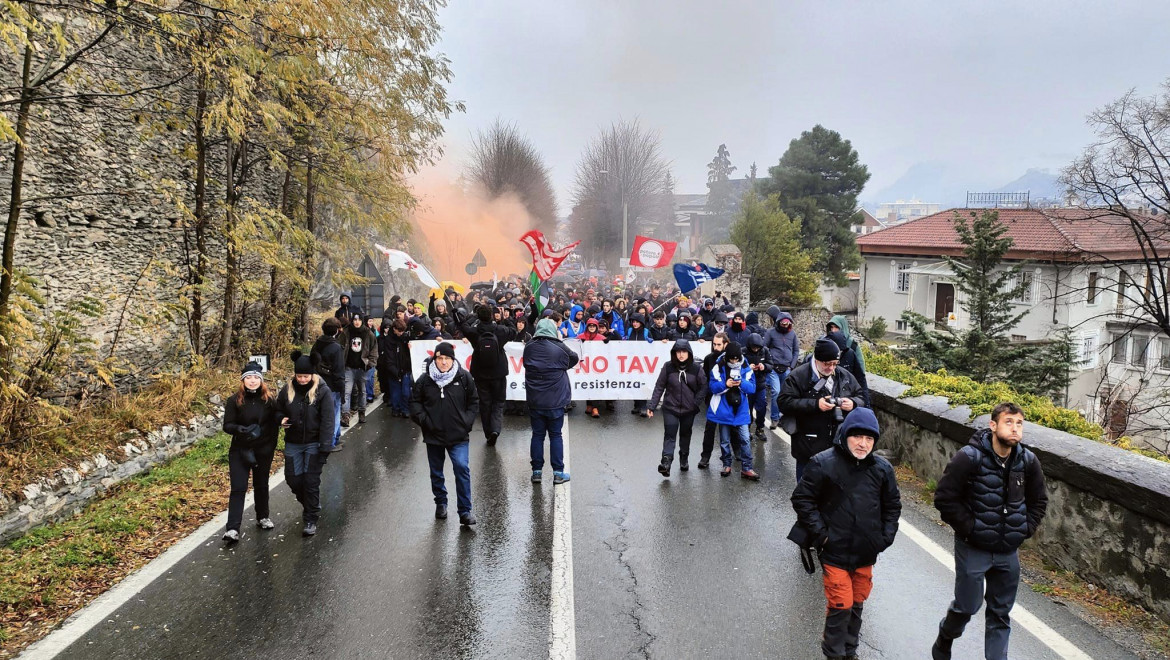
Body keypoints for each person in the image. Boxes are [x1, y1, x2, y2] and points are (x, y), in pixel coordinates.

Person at [930, 403, 1048, 660]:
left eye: (1019, 423)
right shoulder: (969, 457)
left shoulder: (1027, 461)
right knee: (967, 606)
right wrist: (970, 529)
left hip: (1008, 551)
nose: (1014, 428)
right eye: (1008, 422)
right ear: (993, 426)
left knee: (1000, 613)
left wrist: (1024, 530)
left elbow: (1039, 501)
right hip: (973, 547)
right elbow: (945, 498)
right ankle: (945, 637)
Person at [790, 407, 901, 660]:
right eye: (857, 437)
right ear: (846, 434)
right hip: (835, 552)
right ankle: (834, 654)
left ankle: (850, 652)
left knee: (858, 602)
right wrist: (822, 535)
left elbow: (893, 506)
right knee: (841, 605)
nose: (863, 444)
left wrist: (884, 538)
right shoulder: (822, 463)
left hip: (866, 552)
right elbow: (802, 499)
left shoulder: (882, 469)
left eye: (869, 438)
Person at [411, 342, 480, 526]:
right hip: (434, 435)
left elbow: (474, 402)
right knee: (437, 472)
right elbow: (415, 403)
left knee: (461, 469)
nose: (443, 362)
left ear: (452, 359)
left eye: (447, 358)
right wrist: (425, 421)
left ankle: (465, 511)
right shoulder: (425, 380)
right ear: (435, 359)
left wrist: (466, 422)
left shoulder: (464, 377)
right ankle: (441, 502)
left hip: (458, 435)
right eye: (440, 358)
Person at [778, 338, 864, 481]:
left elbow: (861, 396)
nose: (831, 368)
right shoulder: (798, 376)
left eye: (835, 364)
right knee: (806, 492)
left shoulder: (844, 375)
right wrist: (816, 404)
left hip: (837, 445)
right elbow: (784, 402)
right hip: (808, 445)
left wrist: (853, 403)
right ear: (817, 359)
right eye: (827, 363)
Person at [275, 351, 337, 537]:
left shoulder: (322, 391)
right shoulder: (287, 390)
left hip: (314, 443)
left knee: (310, 482)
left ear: (312, 374)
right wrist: (281, 419)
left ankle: (310, 518)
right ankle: (311, 504)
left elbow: (328, 420)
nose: (302, 379)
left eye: (305, 376)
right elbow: (278, 409)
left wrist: (326, 446)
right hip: (293, 442)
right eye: (299, 376)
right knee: (293, 480)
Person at [221, 362, 279, 542]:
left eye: (255, 377)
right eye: (248, 377)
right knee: (238, 487)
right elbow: (227, 426)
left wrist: (270, 446)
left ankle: (263, 516)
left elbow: (274, 426)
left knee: (261, 484)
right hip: (240, 448)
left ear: (261, 380)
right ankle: (232, 529)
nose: (252, 381)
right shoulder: (234, 400)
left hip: (263, 448)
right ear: (243, 380)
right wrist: (240, 429)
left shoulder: (269, 400)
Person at [523, 318, 579, 484]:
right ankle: (558, 472)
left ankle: (537, 472)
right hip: (555, 400)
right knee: (555, 435)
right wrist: (560, 366)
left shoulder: (529, 347)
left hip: (535, 399)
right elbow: (574, 358)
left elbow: (526, 363)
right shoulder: (559, 347)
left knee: (537, 435)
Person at [648, 339, 707, 476]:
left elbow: (704, 386)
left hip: (689, 409)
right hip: (670, 408)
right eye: (678, 352)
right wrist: (652, 406)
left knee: (685, 434)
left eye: (684, 351)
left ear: (689, 353)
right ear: (674, 353)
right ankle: (666, 462)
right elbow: (659, 386)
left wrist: (695, 402)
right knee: (670, 434)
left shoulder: (697, 369)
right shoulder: (668, 367)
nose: (681, 354)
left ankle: (684, 457)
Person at [463, 305, 516, 446]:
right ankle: (495, 430)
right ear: (492, 315)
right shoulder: (500, 330)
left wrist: (475, 316)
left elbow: (463, 325)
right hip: (498, 372)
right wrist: (506, 318)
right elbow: (513, 331)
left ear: (478, 316)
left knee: (485, 403)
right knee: (498, 403)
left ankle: (488, 433)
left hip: (480, 373)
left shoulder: (474, 331)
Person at [708, 342, 760, 480]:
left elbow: (752, 388)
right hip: (723, 408)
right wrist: (726, 384)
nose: (735, 361)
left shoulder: (746, 367)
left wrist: (741, 383)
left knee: (745, 439)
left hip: (741, 409)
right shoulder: (718, 366)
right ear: (727, 357)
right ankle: (726, 464)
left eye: (737, 359)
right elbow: (712, 387)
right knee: (724, 440)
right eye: (732, 359)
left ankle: (747, 468)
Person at [310, 317, 346, 449]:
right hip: (332, 385)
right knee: (334, 413)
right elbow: (339, 370)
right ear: (337, 330)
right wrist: (341, 389)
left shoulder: (317, 344)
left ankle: (333, 438)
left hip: (317, 383)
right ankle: (331, 441)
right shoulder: (336, 347)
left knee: (321, 413)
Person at [765, 306, 800, 430]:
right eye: (783, 322)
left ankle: (783, 416)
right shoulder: (770, 332)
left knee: (787, 394)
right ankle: (774, 418)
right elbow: (765, 348)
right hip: (774, 368)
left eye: (788, 323)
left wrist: (792, 365)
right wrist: (770, 361)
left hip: (787, 369)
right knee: (776, 392)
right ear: (779, 322)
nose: (785, 325)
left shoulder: (793, 334)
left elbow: (796, 350)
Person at [340, 313, 378, 426]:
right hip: (348, 367)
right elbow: (340, 347)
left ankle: (362, 412)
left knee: (362, 391)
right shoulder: (346, 332)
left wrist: (370, 363)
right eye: (355, 319)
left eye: (359, 320)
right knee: (347, 392)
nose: (357, 322)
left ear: (362, 321)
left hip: (362, 367)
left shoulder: (368, 333)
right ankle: (345, 416)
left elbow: (374, 349)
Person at [697, 332, 728, 469]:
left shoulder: (731, 358)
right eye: (714, 344)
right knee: (710, 428)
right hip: (713, 398)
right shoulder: (709, 358)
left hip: (727, 398)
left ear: (725, 344)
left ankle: (732, 453)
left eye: (719, 345)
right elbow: (704, 380)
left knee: (729, 427)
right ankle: (705, 456)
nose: (716, 347)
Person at [826, 315, 870, 408]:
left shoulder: (852, 347)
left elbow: (860, 374)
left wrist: (865, 404)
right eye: (831, 327)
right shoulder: (826, 344)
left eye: (836, 327)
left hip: (849, 392)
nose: (833, 330)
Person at [378, 319, 413, 417]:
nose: (401, 333)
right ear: (394, 329)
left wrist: (409, 346)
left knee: (406, 392)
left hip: (405, 368)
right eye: (399, 331)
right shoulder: (389, 340)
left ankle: (405, 409)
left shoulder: (405, 338)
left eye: (402, 331)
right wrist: (395, 371)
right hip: (393, 370)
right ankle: (396, 408)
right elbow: (389, 358)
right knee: (395, 392)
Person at [743, 333, 772, 439]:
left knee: (762, 407)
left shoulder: (765, 351)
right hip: (747, 385)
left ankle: (760, 428)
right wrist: (747, 368)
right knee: (747, 408)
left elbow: (771, 365)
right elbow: (738, 367)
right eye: (753, 347)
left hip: (760, 384)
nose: (755, 349)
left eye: (757, 347)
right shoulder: (743, 352)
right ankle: (747, 428)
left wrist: (764, 366)